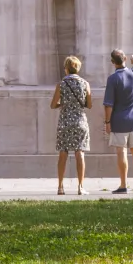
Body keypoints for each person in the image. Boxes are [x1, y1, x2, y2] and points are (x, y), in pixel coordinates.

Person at [102, 50, 133, 194]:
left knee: (121, 152)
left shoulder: (112, 79)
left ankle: (123, 185)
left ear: (112, 62)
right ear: (124, 58)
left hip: (119, 121)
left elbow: (108, 104)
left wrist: (107, 122)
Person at [49, 55, 92, 195]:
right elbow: (89, 105)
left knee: (63, 153)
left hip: (65, 122)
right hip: (80, 122)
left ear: (66, 69)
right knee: (80, 152)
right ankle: (80, 187)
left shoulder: (61, 84)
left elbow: (53, 105)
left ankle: (60, 187)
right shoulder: (85, 84)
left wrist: (64, 104)